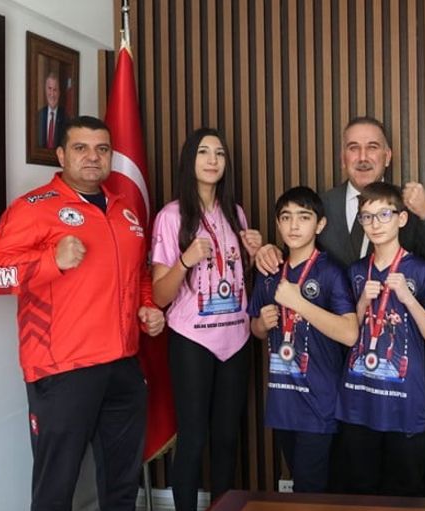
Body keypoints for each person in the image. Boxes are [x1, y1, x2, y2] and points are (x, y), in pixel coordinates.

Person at [0, 115, 165, 510]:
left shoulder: (125, 211)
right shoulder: (32, 208)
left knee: (121, 488)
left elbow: (139, 274)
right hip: (62, 370)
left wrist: (147, 305)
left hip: (123, 365)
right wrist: (51, 260)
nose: (92, 157)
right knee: (55, 490)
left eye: (102, 149)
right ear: (61, 155)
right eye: (81, 148)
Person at [150, 128, 262, 510]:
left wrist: (254, 254)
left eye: (219, 153)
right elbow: (160, 295)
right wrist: (185, 260)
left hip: (236, 338)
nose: (213, 160)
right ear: (189, 161)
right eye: (203, 152)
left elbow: (236, 277)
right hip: (192, 340)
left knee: (227, 438)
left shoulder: (236, 213)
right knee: (194, 437)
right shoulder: (171, 216)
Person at [336, 181, 425, 496]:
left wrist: (408, 299)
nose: (376, 224)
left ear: (402, 218)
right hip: (358, 400)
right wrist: (361, 303)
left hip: (404, 403)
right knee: (361, 491)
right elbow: (346, 335)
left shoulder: (421, 270)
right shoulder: (356, 271)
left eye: (384, 214)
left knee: (406, 493)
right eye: (367, 217)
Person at [248, 186, 359, 493]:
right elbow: (255, 329)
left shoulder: (331, 272)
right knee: (302, 480)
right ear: (278, 223)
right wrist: (261, 324)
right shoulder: (269, 272)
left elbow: (350, 333)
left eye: (304, 217)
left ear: (320, 225)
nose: (294, 225)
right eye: (286, 217)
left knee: (311, 488)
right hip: (283, 400)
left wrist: (299, 303)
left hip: (319, 400)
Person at [255, 116, 425, 272]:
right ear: (343, 159)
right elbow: (296, 258)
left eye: (372, 147)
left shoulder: (409, 204)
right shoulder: (322, 204)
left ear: (387, 157)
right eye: (353, 148)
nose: (362, 157)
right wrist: (271, 253)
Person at [38, 71, 66, 149]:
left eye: (55, 90)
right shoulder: (38, 116)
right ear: (45, 90)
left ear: (59, 93)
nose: (52, 94)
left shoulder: (66, 118)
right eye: (49, 88)